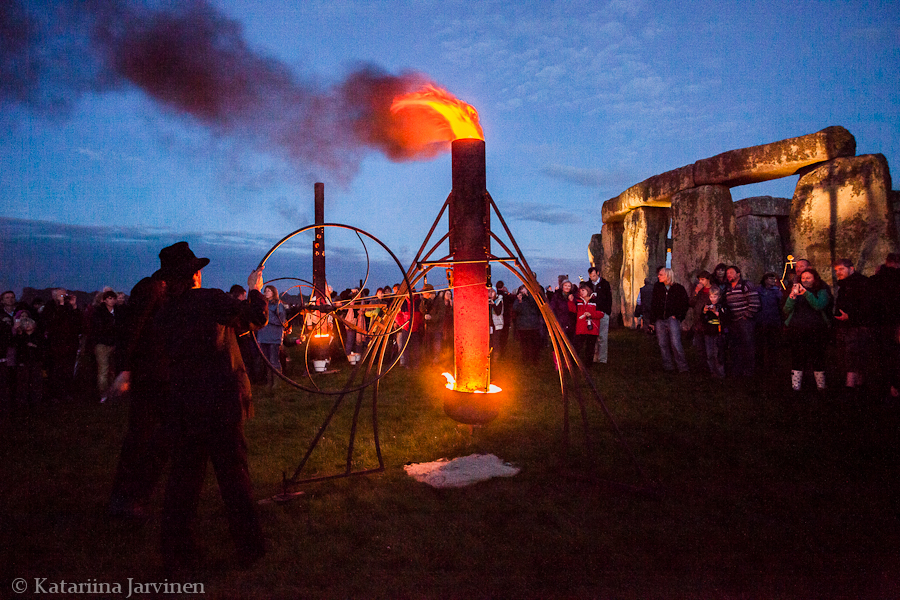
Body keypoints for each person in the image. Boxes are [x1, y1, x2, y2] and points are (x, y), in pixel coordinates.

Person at [154, 241, 267, 572]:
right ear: (195, 275)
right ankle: (250, 548)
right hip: (220, 404)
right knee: (234, 478)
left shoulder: (165, 312)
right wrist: (254, 289)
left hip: (184, 406)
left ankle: (177, 553)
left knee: (183, 482)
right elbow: (256, 318)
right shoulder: (210, 299)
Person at [108, 268, 172, 520]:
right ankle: (125, 498)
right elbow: (132, 329)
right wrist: (125, 369)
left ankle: (138, 494)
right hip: (149, 376)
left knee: (162, 436)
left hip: (162, 376)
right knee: (141, 436)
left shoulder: (165, 293)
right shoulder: (151, 289)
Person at [784, 268, 831, 392]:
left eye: (808, 278)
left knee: (817, 356)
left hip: (816, 329)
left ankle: (821, 385)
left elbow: (818, 305)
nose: (805, 280)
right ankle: (796, 386)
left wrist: (806, 293)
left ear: (814, 279)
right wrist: (792, 296)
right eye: (803, 278)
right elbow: (786, 309)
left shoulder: (821, 291)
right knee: (797, 356)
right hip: (797, 328)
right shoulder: (796, 292)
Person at [832, 258, 873, 392]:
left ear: (851, 269)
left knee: (853, 354)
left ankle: (850, 386)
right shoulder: (844, 284)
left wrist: (851, 316)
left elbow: (867, 305)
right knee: (848, 354)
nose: (838, 272)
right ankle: (859, 383)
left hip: (857, 325)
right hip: (845, 324)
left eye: (841, 269)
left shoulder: (861, 283)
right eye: (836, 270)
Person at [870, 253, 900, 398]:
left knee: (885, 355)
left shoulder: (875, 280)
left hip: (880, 323)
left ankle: (888, 386)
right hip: (894, 322)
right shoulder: (894, 278)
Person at [650, 267, 689, 373]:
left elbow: (684, 303)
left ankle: (682, 366)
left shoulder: (678, 288)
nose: (658, 276)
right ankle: (668, 366)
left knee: (675, 343)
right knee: (662, 343)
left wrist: (678, 315)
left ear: (668, 275)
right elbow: (654, 303)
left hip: (672, 318)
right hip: (660, 319)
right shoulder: (658, 288)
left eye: (661, 274)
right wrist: (652, 320)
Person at [723, 265, 759, 377]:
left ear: (738, 274)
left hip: (745, 321)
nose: (728, 275)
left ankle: (749, 370)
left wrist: (746, 316)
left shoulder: (746, 285)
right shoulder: (728, 288)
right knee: (735, 346)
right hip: (733, 321)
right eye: (727, 273)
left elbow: (754, 302)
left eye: (731, 273)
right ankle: (737, 369)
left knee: (747, 345)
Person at [258, 284, 287, 389]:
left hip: (274, 337)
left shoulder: (278, 305)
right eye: (265, 291)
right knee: (267, 361)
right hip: (263, 336)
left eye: (269, 291)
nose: (266, 292)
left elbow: (282, 321)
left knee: (274, 360)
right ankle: (269, 382)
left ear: (274, 293)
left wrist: (267, 318)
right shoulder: (263, 305)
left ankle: (277, 382)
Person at [92, 290, 119, 402]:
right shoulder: (99, 312)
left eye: (113, 298)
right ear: (104, 300)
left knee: (113, 370)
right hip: (102, 344)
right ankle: (103, 393)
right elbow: (98, 328)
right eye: (109, 298)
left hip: (114, 344)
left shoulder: (118, 312)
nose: (112, 301)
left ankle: (112, 392)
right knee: (103, 370)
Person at [568, 282, 603, 368]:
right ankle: (573, 364)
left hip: (592, 328)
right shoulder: (578, 301)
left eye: (583, 290)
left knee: (590, 348)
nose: (581, 292)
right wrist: (571, 302)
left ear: (588, 290)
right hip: (581, 328)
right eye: (580, 291)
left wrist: (591, 314)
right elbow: (573, 310)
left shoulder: (595, 300)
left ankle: (588, 365)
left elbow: (601, 314)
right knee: (577, 346)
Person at [755, 272, 784, 371]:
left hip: (773, 320)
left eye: (774, 279)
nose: (773, 281)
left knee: (772, 344)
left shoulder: (776, 291)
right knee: (760, 344)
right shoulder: (758, 290)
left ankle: (773, 364)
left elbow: (781, 304)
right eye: (771, 279)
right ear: (765, 280)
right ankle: (760, 365)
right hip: (761, 320)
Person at [700, 286, 728, 378]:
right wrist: (704, 312)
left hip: (718, 333)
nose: (713, 299)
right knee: (709, 353)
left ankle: (720, 373)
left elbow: (726, 318)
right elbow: (702, 319)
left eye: (715, 296)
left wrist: (716, 312)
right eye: (711, 296)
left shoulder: (722, 306)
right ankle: (712, 371)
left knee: (718, 353)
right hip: (708, 332)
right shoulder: (707, 306)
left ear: (719, 296)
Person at [586, 267, 612, 364]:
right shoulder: (588, 285)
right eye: (590, 276)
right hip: (591, 314)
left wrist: (607, 312)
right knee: (593, 337)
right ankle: (594, 357)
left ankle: (602, 359)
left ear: (598, 273)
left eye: (594, 276)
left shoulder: (605, 284)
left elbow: (609, 298)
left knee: (602, 337)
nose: (592, 278)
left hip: (602, 313)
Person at [512, 285, 542, 365]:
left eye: (525, 290)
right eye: (522, 290)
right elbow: (516, 309)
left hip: (533, 325)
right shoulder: (518, 300)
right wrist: (520, 301)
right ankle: (525, 359)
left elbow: (536, 306)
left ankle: (535, 359)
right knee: (524, 344)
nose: (523, 291)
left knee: (534, 343)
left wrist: (529, 296)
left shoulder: (533, 298)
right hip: (523, 326)